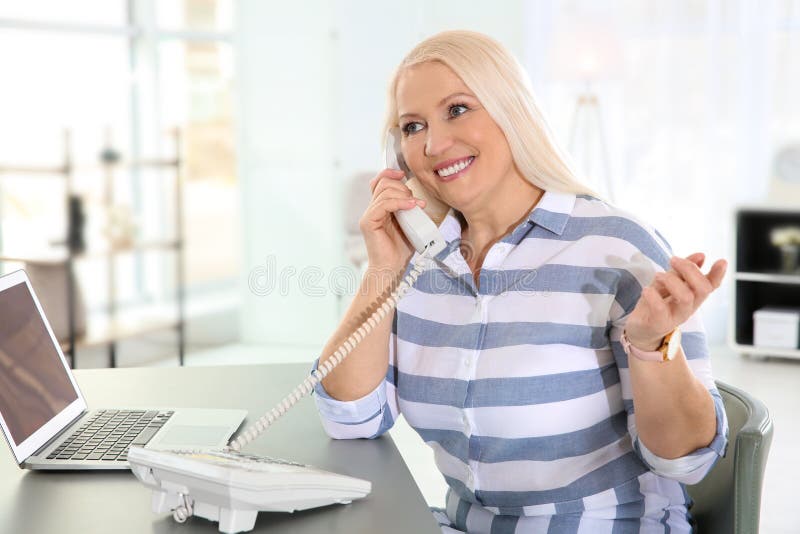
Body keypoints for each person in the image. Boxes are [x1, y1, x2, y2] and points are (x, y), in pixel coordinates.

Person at [312, 30, 728, 533]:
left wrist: (652, 346)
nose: (434, 143)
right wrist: (382, 270)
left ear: (513, 112)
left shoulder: (619, 247)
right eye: (412, 126)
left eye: (458, 109)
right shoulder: (419, 263)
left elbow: (686, 462)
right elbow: (350, 419)